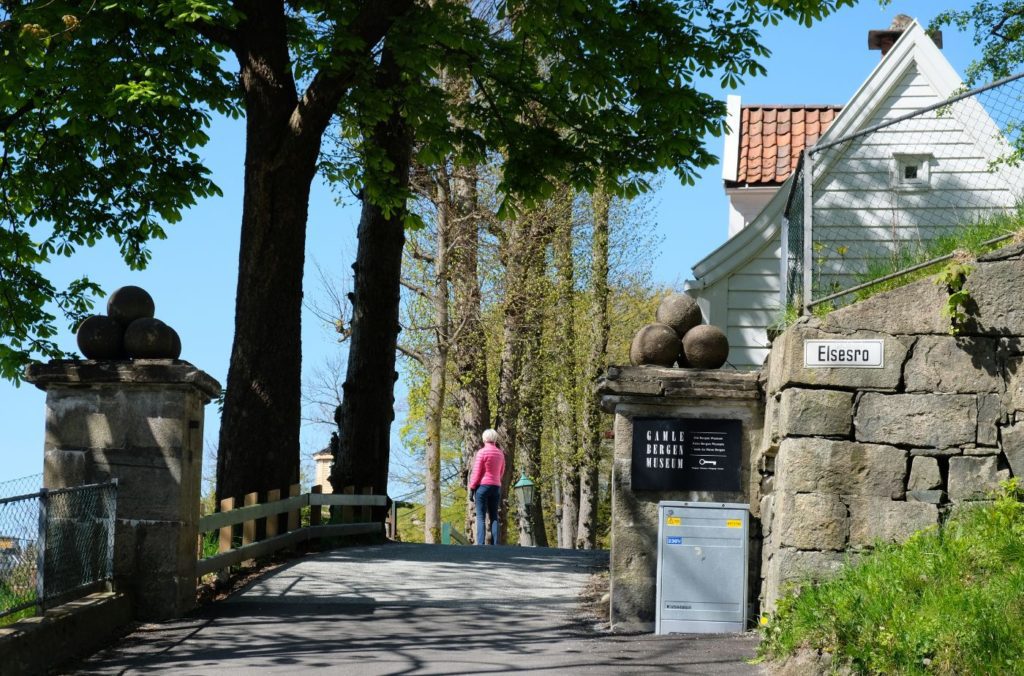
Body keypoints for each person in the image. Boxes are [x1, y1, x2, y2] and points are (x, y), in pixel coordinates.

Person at [468, 428, 506, 545]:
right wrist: (496, 480)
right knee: (494, 515)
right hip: (496, 487)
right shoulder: (500, 453)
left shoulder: (482, 452)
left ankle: (481, 544)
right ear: (495, 439)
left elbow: (476, 472)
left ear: (484, 439)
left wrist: (472, 487)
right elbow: (501, 471)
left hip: (482, 487)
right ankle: (495, 545)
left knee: (480, 516)